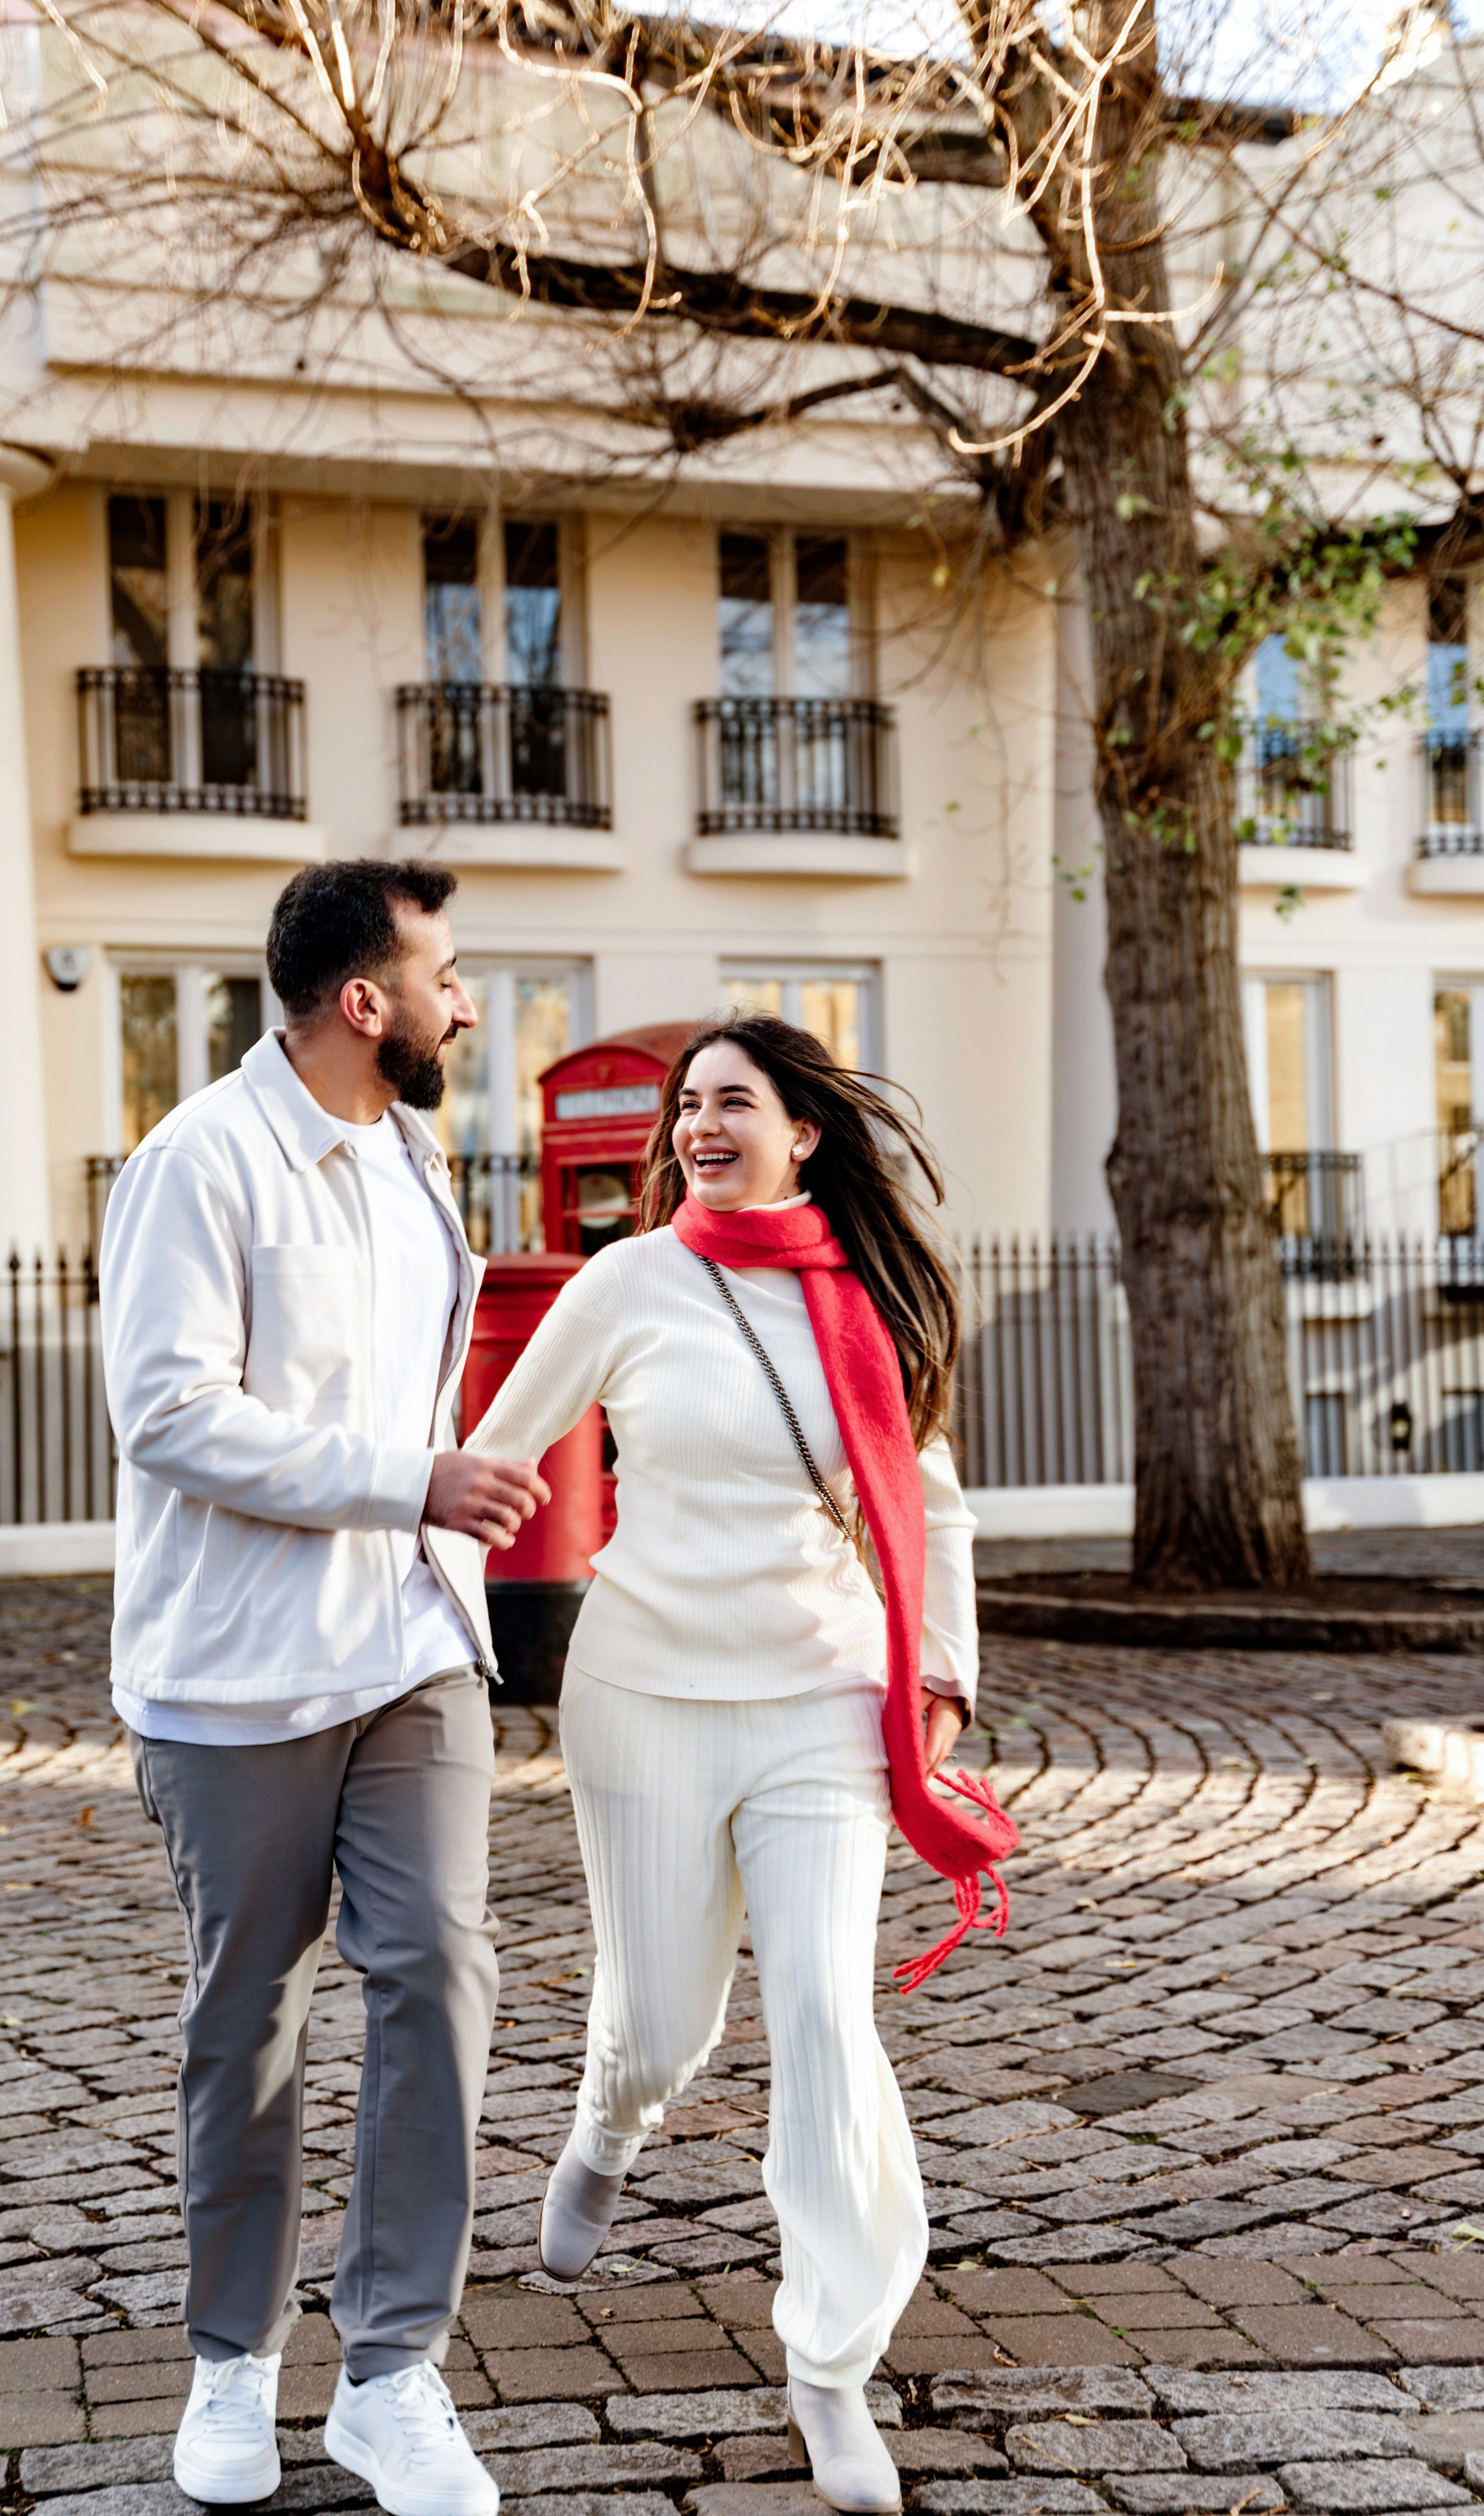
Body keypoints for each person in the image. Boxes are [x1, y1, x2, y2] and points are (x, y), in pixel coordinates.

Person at [465, 1014, 979, 2516]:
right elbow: (496, 1452)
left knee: (823, 2013)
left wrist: (938, 1667)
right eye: (686, 1103)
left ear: (801, 1131)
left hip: (821, 1696)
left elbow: (930, 1504)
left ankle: (828, 2367)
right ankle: (608, 2121)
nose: (698, 1122)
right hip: (644, 1691)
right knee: (663, 2023)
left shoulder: (864, 1296)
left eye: (730, 1100)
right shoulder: (626, 1279)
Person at [99, 859, 548, 2516]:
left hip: (411, 1644)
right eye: (446, 973)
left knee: (437, 1967)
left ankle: (390, 2370)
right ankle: (232, 2358)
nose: (464, 1001)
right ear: (365, 1003)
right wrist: (406, 1480)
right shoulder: (196, 1163)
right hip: (233, 1678)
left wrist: (432, 1516)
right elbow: (170, 1414)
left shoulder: (411, 1153)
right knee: (252, 2016)